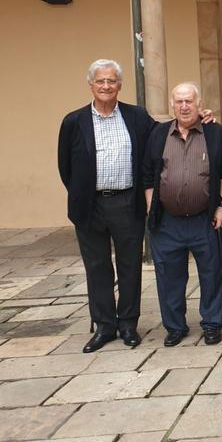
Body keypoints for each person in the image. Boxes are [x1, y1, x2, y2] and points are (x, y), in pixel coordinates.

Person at [58, 59, 154, 353]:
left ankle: (128, 324)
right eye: (100, 81)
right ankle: (104, 326)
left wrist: (199, 117)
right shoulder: (74, 121)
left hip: (127, 201)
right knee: (97, 267)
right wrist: (81, 194)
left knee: (129, 266)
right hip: (90, 205)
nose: (106, 86)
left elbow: (163, 135)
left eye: (111, 81)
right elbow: (65, 166)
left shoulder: (136, 116)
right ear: (91, 85)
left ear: (119, 85)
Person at [143, 82, 222, 347]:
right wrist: (152, 206)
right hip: (167, 221)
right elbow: (148, 174)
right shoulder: (158, 134)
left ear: (199, 103)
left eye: (189, 101)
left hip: (204, 219)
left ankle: (212, 323)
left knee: (212, 273)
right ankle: (174, 326)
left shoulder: (216, 134)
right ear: (172, 105)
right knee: (169, 276)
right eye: (179, 101)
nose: (184, 106)